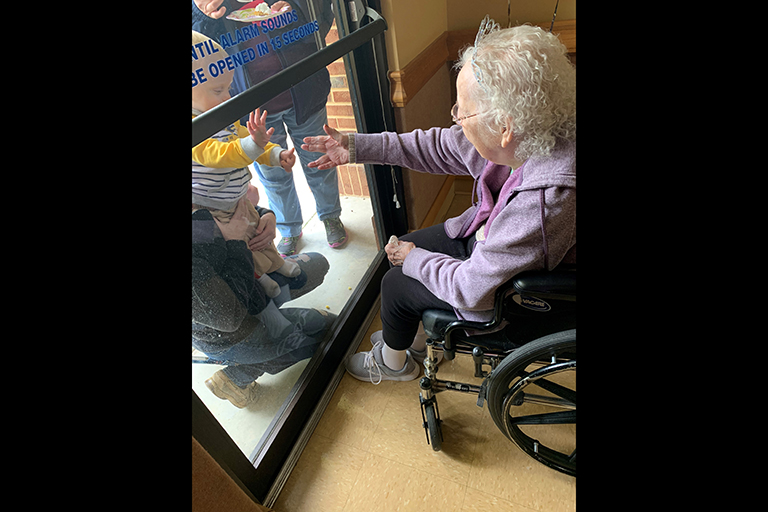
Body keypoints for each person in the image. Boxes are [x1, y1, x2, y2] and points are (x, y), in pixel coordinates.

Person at [301, 19, 576, 384]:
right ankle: (410, 334)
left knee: (396, 284)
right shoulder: (538, 128)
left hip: (506, 295)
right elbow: (437, 146)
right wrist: (354, 147)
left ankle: (393, 364)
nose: (456, 119)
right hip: (494, 242)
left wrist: (415, 260)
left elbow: (471, 290)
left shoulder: (545, 202)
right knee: (413, 248)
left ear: (505, 125)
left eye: (462, 110)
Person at [193, 0, 346, 256]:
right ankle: (288, 228)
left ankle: (331, 216)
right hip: (250, 106)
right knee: (273, 177)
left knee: (319, 162)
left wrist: (295, 7)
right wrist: (202, 12)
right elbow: (200, 56)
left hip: (305, 90)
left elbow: (321, 18)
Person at [193, 198, 336, 408]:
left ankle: (279, 324)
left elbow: (229, 203)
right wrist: (236, 241)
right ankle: (238, 376)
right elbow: (229, 317)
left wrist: (265, 215)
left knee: (316, 264)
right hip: (232, 331)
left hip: (251, 280)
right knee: (329, 330)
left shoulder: (200, 183)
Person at [193, 30, 300, 297]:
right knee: (243, 244)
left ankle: (277, 263)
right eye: (218, 90)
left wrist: (275, 154)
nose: (228, 96)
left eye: (229, 87)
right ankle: (260, 277)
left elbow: (244, 138)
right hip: (214, 206)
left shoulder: (219, 113)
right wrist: (253, 145)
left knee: (257, 232)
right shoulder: (197, 129)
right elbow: (219, 154)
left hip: (237, 197)